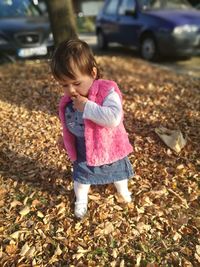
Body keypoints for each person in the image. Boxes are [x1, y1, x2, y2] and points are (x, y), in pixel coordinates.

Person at [51, 39, 134, 219]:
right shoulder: (69, 100)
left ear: (93, 73)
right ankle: (81, 201)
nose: (71, 90)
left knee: (119, 176)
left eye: (76, 83)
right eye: (64, 85)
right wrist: (65, 138)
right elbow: (69, 122)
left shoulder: (107, 92)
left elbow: (113, 118)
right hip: (84, 149)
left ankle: (124, 193)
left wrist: (87, 106)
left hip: (109, 147)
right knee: (81, 179)